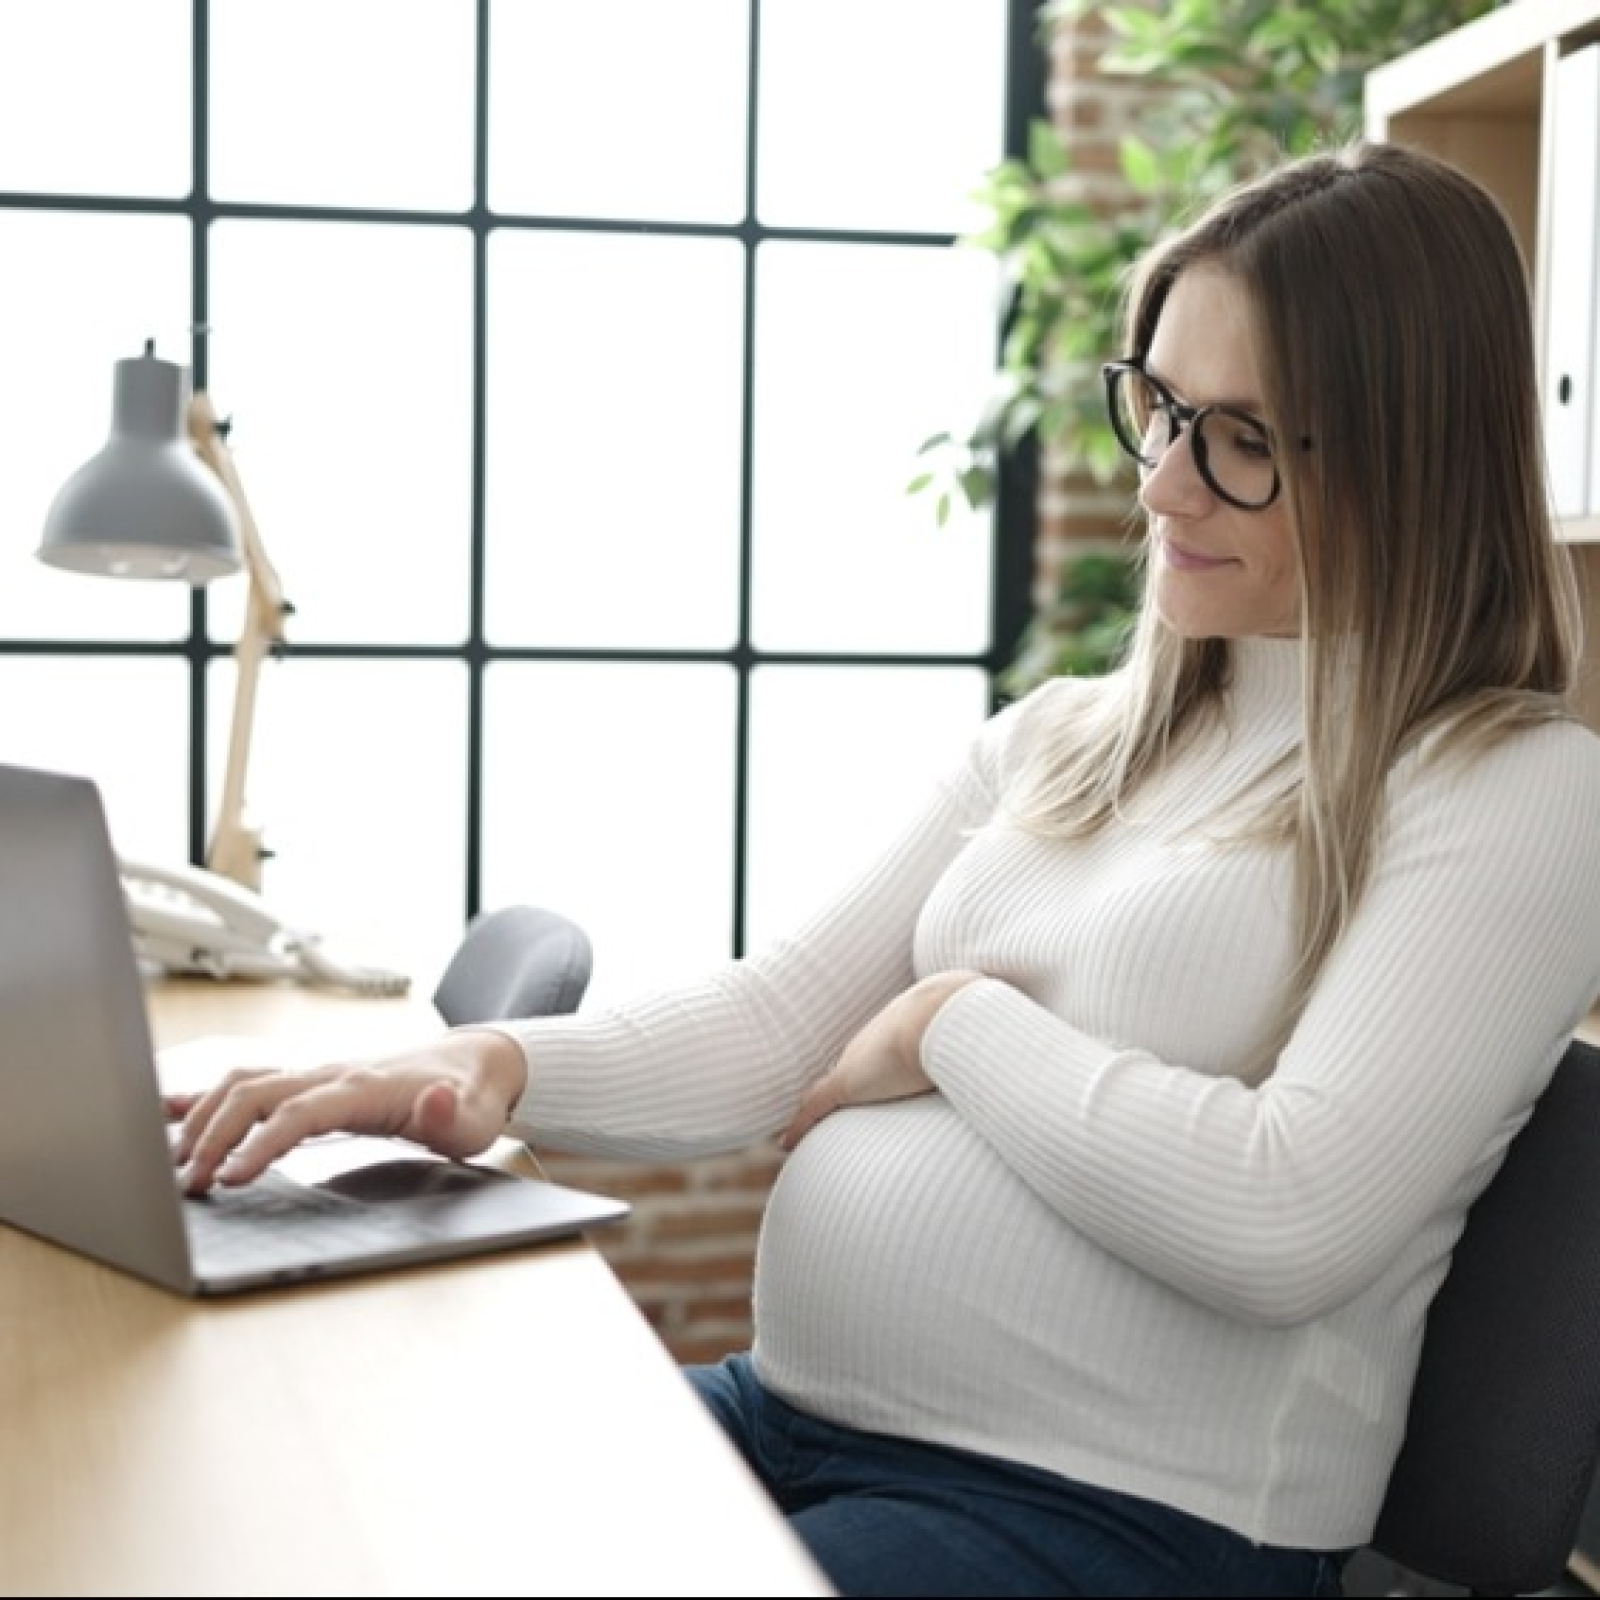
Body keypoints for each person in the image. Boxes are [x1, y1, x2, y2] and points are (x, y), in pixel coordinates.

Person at [169, 138, 1600, 1599]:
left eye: (1240, 437)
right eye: (1159, 408)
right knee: (349, 1524)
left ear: (1409, 458)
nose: (1164, 487)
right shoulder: (1073, 736)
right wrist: (483, 1066)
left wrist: (948, 1023)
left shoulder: (1517, 789)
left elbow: (1282, 1218)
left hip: (1121, 1522)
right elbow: (779, 1018)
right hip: (797, 1420)